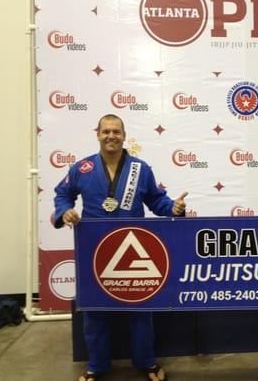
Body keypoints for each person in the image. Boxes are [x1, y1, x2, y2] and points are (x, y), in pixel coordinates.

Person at [53, 114, 187, 381]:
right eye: (106, 131)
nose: (111, 136)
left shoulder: (140, 168)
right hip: (95, 249)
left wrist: (173, 208)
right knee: (95, 311)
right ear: (98, 135)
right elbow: (62, 194)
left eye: (116, 131)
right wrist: (65, 210)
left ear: (124, 136)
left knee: (140, 310)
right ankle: (97, 366)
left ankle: (147, 363)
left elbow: (156, 200)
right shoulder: (83, 168)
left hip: (134, 248)